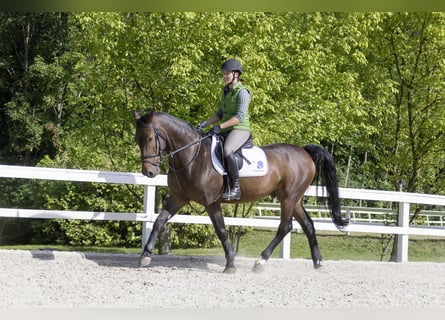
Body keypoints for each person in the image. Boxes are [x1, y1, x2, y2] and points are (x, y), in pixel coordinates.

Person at [197, 58, 251, 200]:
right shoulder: (226, 92)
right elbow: (219, 114)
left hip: (240, 129)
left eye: (227, 73)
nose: (224, 76)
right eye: (224, 73)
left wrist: (219, 127)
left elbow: (239, 117)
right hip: (226, 128)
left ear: (236, 74)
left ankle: (236, 188)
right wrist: (204, 123)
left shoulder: (243, 92)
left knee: (227, 150)